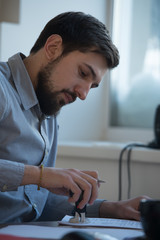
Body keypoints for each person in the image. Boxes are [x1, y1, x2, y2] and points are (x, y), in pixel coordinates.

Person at [0, 11, 147, 223]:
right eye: (83, 73)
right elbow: (39, 179)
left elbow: (36, 203)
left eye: (93, 86)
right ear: (53, 48)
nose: (84, 94)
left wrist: (113, 208)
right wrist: (41, 176)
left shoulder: (48, 113)